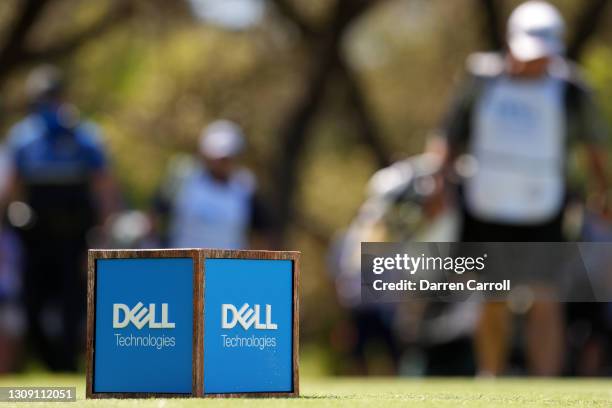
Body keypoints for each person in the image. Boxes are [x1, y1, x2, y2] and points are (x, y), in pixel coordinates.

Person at [441, 1, 608, 376]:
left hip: (546, 204)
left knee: (545, 296)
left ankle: (544, 385)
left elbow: (595, 147)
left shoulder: (571, 89)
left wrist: (603, 192)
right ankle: (490, 377)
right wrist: (439, 182)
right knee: (492, 295)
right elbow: (449, 134)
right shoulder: (481, 79)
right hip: (487, 201)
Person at [6, 65, 119, 371]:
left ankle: (66, 368)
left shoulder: (85, 137)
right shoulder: (23, 138)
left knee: (73, 305)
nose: (49, 103)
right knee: (31, 303)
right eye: (43, 98)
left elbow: (104, 188)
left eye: (53, 96)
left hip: (74, 236)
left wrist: (103, 233)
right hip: (36, 237)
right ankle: (47, 361)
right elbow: (12, 189)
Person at [153, 120, 274, 249]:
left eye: (227, 158)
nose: (222, 163)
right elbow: (154, 217)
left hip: (230, 267)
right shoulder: (183, 179)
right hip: (183, 265)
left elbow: (264, 231)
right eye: (218, 158)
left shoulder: (245, 187)